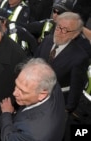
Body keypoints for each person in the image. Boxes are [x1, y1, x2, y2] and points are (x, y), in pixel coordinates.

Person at [34, 12, 90, 141]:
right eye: (58, 27)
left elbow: (76, 87)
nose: (59, 31)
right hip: (35, 97)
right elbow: (34, 61)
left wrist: (67, 110)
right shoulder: (48, 40)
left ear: (75, 34)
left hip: (56, 102)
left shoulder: (79, 57)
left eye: (65, 30)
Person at [0, 58, 66, 141]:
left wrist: (6, 114)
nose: (14, 93)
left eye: (23, 91)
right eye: (16, 85)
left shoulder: (33, 134)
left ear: (42, 95)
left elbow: (8, 138)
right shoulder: (51, 83)